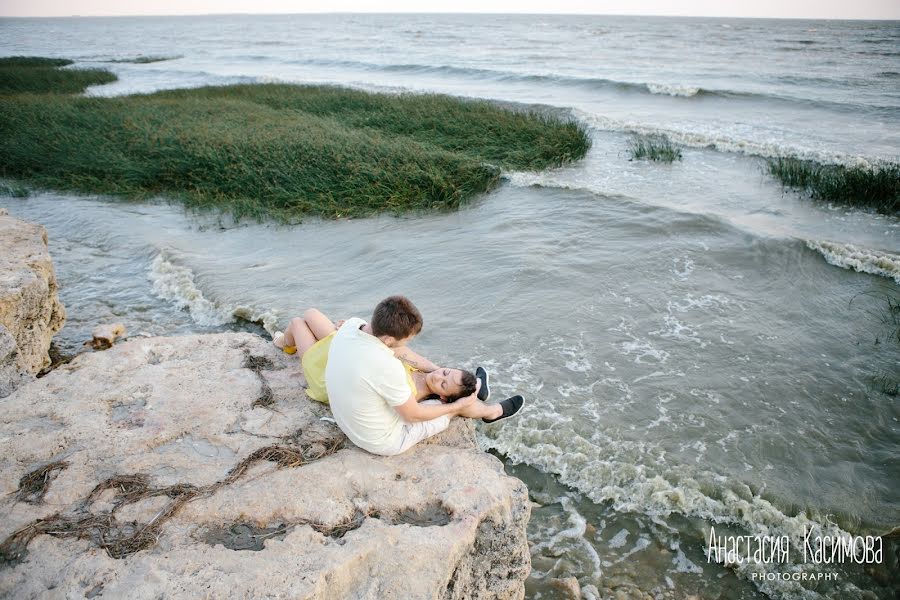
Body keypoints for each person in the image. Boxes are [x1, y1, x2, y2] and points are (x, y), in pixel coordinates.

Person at [281, 295, 524, 456]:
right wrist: (456, 405)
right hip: (383, 440)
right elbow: (414, 414)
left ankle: (473, 392)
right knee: (453, 409)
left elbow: (401, 355)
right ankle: (490, 411)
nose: (407, 345)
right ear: (387, 340)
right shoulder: (387, 368)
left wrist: (435, 371)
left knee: (304, 318)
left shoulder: (353, 325)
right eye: (405, 340)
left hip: (349, 404)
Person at [273, 307, 485, 404]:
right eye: (445, 372)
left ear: (442, 397)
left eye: (444, 384)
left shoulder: (410, 393)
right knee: (311, 313)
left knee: (298, 322)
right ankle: (289, 342)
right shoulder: (427, 372)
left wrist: (463, 404)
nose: (439, 376)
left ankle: (285, 344)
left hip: (326, 372)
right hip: (345, 352)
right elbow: (406, 353)